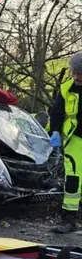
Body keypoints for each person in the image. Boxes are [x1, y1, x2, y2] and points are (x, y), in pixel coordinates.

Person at [47, 52, 82, 234]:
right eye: (75, 72)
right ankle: (68, 219)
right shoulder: (66, 88)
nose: (77, 76)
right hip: (74, 140)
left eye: (80, 73)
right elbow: (57, 112)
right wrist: (54, 130)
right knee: (73, 181)